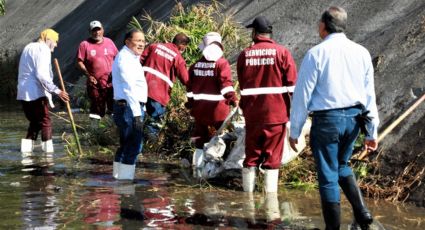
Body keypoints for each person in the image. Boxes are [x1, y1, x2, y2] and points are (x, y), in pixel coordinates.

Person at [289, 6, 379, 230]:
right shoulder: (362, 52)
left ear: (324, 25)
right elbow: (369, 94)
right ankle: (363, 213)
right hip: (355, 119)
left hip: (328, 120)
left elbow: (302, 95)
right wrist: (371, 131)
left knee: (328, 174)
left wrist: (295, 130)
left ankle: (333, 228)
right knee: (341, 165)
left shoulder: (316, 53)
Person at [237, 16, 297, 193]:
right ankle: (270, 207)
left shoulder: (245, 54)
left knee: (251, 156)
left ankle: (248, 199)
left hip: (253, 114)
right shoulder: (282, 52)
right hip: (276, 115)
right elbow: (293, 85)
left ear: (254, 33)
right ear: (269, 33)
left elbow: (242, 85)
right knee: (272, 158)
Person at [186, 32, 237, 173]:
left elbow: (189, 89)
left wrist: (190, 104)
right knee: (220, 138)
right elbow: (225, 84)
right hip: (218, 111)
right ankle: (214, 171)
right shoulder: (221, 64)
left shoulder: (194, 66)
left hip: (199, 110)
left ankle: (197, 170)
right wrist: (233, 99)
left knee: (200, 138)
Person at [17, 28, 69, 153]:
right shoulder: (43, 49)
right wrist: (57, 91)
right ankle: (48, 157)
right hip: (35, 93)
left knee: (35, 122)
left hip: (23, 93)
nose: (56, 45)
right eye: (55, 41)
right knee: (46, 121)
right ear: (48, 39)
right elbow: (41, 74)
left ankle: (26, 155)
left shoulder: (28, 47)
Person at [111, 29, 147, 180]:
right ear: (127, 41)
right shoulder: (125, 59)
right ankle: (125, 184)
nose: (141, 44)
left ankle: (117, 178)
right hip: (130, 107)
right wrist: (137, 114)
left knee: (126, 144)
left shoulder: (130, 57)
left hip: (128, 106)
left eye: (143, 41)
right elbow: (129, 87)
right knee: (133, 146)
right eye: (137, 40)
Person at [140, 33, 190, 140]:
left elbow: (139, 60)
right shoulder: (178, 58)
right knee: (155, 121)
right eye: (185, 47)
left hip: (141, 87)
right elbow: (186, 80)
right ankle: (149, 146)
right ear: (182, 45)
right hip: (158, 93)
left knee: (138, 116)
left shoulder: (154, 46)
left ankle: (132, 141)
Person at [76, 20, 118, 120]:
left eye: (98, 30)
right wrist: (88, 75)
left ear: (102, 30)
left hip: (111, 83)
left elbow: (117, 58)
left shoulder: (109, 42)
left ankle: (112, 130)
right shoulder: (84, 44)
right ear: (90, 32)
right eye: (94, 30)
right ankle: (95, 131)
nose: (97, 32)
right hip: (94, 84)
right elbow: (79, 62)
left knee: (113, 107)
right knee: (97, 108)